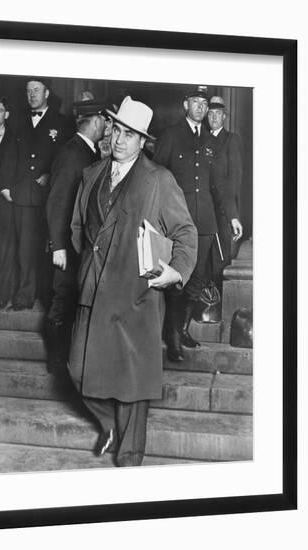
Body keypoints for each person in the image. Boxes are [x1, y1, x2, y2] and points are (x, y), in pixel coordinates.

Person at [68, 96, 197, 467]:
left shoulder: (159, 180)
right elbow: (79, 228)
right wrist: (94, 264)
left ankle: (130, 466)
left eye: (130, 134)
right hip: (93, 291)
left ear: (143, 141)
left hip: (136, 298)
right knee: (77, 371)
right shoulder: (91, 174)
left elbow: (186, 233)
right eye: (117, 130)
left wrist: (175, 271)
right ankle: (108, 425)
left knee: (131, 389)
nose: (120, 140)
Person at [153, 87, 241, 361]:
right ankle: (173, 339)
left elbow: (220, 185)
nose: (201, 108)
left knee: (198, 280)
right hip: (176, 220)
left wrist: (233, 214)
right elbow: (155, 176)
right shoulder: (171, 136)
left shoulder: (211, 141)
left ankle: (181, 328)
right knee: (177, 278)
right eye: (196, 102)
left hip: (205, 221)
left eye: (205, 103)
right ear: (185, 104)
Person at [45, 100, 108, 372]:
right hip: (67, 245)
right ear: (95, 122)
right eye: (105, 121)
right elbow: (57, 202)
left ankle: (67, 357)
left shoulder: (87, 151)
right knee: (63, 301)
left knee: (72, 300)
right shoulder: (73, 154)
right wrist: (58, 245)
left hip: (79, 243)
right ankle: (56, 361)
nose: (107, 126)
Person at [7, 77, 69, 311]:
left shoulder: (62, 123)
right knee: (24, 249)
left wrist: (51, 175)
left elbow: (65, 158)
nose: (31, 94)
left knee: (49, 248)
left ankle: (46, 295)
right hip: (22, 195)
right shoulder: (19, 122)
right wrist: (6, 186)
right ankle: (24, 296)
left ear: (47, 93)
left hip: (49, 198)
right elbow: (9, 156)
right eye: (28, 91)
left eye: (36, 90)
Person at [206, 96, 243, 284]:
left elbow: (234, 181)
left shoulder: (231, 140)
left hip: (222, 211)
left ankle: (217, 308)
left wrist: (233, 214)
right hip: (203, 210)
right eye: (210, 114)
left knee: (220, 263)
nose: (213, 118)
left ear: (224, 117)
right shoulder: (201, 140)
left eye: (218, 114)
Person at [0, 97, 16, 308]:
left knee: (6, 249)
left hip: (6, 202)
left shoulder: (16, 137)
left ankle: (2, 294)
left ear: (6, 114)